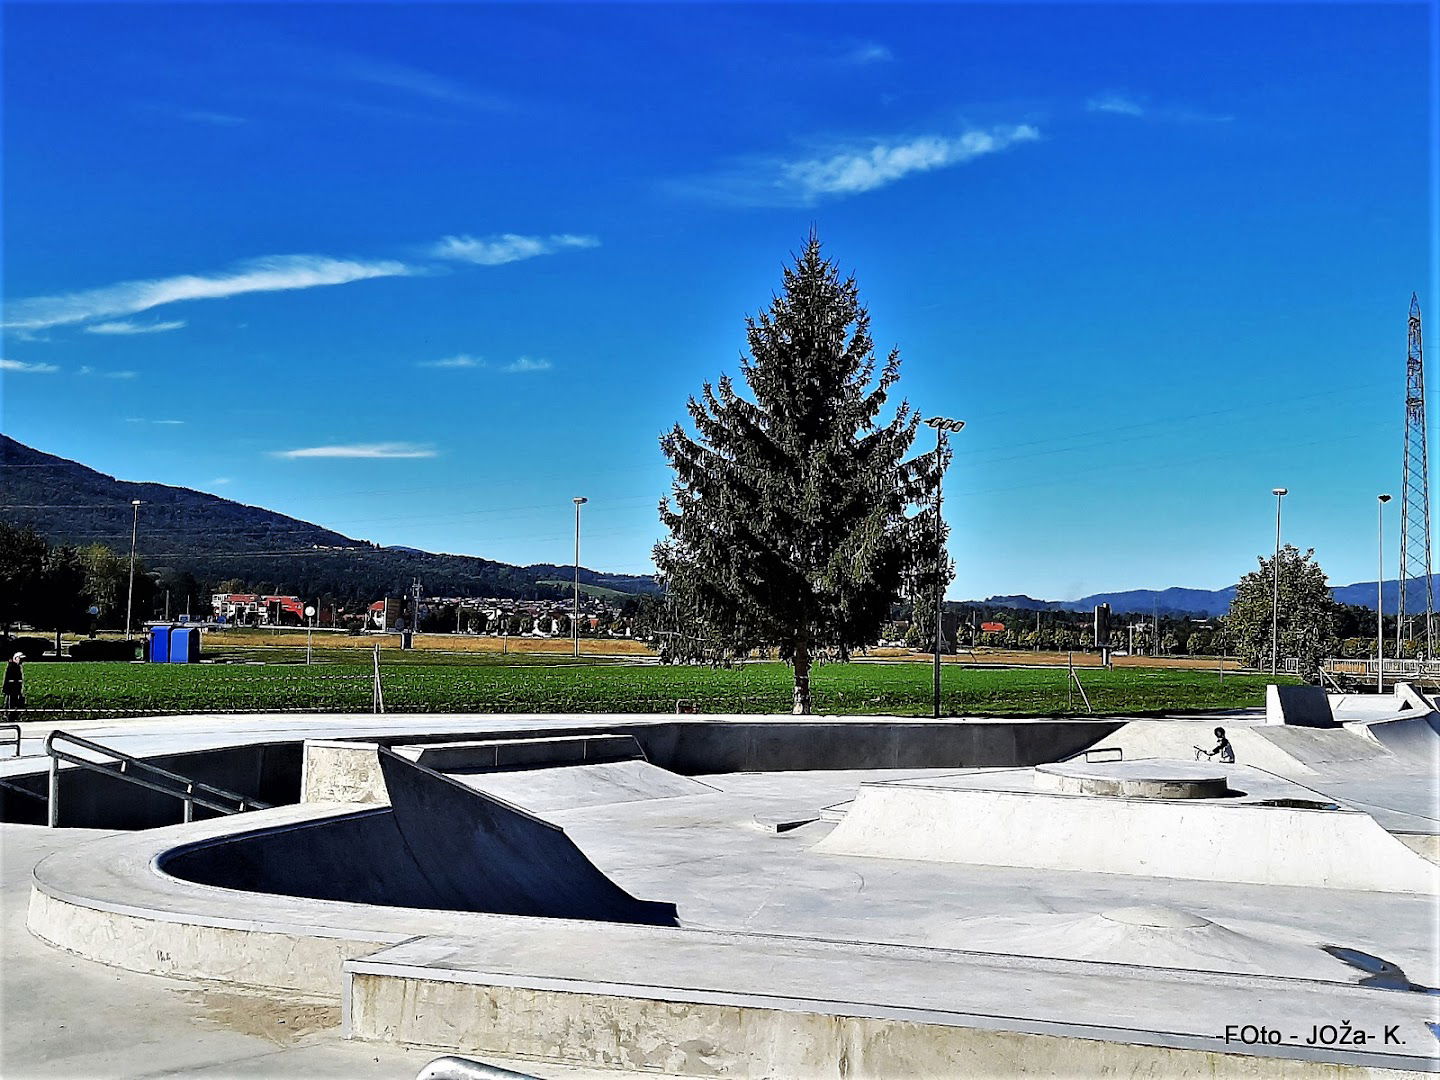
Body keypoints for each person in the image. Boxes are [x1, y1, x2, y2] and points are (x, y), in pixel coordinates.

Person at [3, 652, 24, 723]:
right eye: (19, 658)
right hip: (11, 688)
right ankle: (9, 715)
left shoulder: (18, 667)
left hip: (16, 688)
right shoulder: (11, 666)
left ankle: (14, 715)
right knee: (11, 703)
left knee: (15, 702)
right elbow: (7, 679)